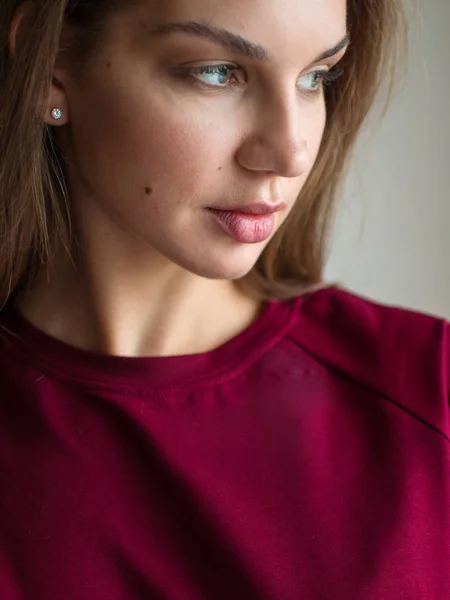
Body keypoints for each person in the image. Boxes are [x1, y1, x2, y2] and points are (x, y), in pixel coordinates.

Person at [0, 0, 448, 598]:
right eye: (217, 71)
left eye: (317, 77)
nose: (290, 154)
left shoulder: (431, 393)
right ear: (51, 61)